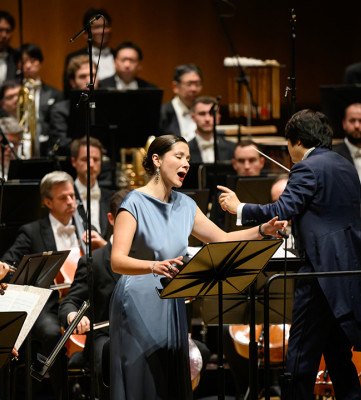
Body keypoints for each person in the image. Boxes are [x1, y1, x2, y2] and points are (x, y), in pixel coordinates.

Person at [109, 134, 286, 399]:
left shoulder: (185, 205)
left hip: (172, 299)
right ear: (157, 160)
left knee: (171, 381)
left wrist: (262, 229)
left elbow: (223, 239)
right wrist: (153, 265)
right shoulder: (133, 203)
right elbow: (117, 261)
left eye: (188, 159)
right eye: (178, 156)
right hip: (138, 301)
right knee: (144, 380)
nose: (186, 164)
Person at [218, 109, 361, 400]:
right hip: (345, 273)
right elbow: (326, 214)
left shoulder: (306, 167)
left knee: (299, 359)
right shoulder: (344, 164)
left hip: (319, 274)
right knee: (338, 357)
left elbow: (280, 209)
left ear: (295, 141)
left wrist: (239, 207)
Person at [1, 171, 105, 400]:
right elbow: (8, 266)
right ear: (48, 202)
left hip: (82, 301)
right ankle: (62, 393)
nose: (70, 202)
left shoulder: (87, 226)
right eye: (63, 198)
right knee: (50, 332)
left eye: (72, 196)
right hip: (48, 304)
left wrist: (102, 246)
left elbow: (105, 264)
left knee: (106, 329)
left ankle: (93, 389)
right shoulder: (31, 232)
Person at [58, 189, 128, 400]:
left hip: (141, 332)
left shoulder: (150, 256)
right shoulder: (95, 261)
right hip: (104, 335)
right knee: (106, 354)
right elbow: (70, 302)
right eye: (126, 218)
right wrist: (73, 316)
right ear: (111, 219)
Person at [17, 43, 63, 156]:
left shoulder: (55, 94)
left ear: (40, 63)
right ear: (18, 65)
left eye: (32, 61)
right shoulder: (13, 92)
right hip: (19, 143)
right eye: (24, 62)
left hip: (45, 146)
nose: (28, 66)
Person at [209, 140, 266, 229]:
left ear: (261, 162)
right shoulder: (222, 198)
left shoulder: (274, 190)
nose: (247, 166)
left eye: (252, 160)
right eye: (241, 161)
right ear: (234, 164)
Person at [50, 55, 97, 155]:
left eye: (92, 75)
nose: (89, 81)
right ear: (72, 82)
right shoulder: (60, 110)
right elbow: (62, 142)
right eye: (82, 76)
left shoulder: (109, 105)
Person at [63, 8, 114, 97]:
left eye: (105, 26)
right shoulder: (74, 57)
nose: (102, 31)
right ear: (86, 33)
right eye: (97, 27)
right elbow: (68, 91)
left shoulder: (118, 56)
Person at [71, 136, 113, 238]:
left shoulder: (112, 197)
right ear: (74, 162)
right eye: (85, 159)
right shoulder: (65, 197)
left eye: (96, 159)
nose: (91, 164)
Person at [160, 64, 203, 141]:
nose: (194, 89)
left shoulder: (206, 112)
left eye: (197, 84)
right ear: (175, 87)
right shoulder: (161, 113)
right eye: (189, 84)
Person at [188, 96, 235, 163]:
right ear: (193, 117)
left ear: (218, 118)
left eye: (212, 114)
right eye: (202, 114)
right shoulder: (185, 150)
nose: (207, 119)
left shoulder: (233, 148)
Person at [333, 102, 361, 181]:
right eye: (352, 121)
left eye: (360, 121)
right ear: (344, 123)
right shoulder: (332, 155)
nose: (356, 126)